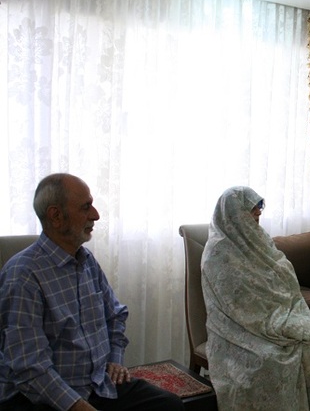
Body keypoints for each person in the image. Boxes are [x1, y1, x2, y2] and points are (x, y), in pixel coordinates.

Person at [0, 173, 183, 411]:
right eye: (86, 207)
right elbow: (30, 366)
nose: (96, 215)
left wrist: (115, 361)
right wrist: (79, 407)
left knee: (170, 406)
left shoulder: (86, 260)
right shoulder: (23, 275)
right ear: (56, 216)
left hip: (96, 384)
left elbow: (115, 315)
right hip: (43, 396)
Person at [201, 186, 310, 411]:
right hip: (238, 328)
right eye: (252, 209)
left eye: (259, 208)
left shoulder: (260, 239)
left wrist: (283, 319)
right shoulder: (217, 252)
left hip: (278, 316)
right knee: (271, 362)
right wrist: (271, 324)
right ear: (234, 213)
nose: (258, 213)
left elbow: (283, 276)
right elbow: (233, 303)